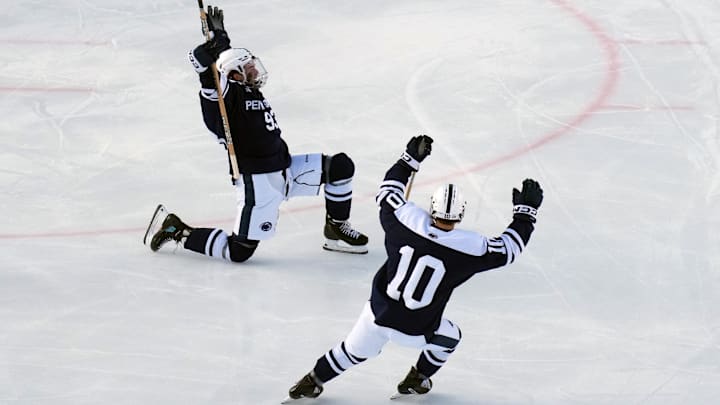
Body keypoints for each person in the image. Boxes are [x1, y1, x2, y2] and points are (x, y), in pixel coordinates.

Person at [284, 135, 543, 401]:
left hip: (377, 314)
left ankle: (312, 381)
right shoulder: (470, 248)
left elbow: (388, 191)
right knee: (450, 336)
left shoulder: (403, 219)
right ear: (460, 214)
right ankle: (417, 378)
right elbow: (510, 248)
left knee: (350, 352)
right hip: (417, 331)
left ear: (432, 207)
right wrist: (525, 214)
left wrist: (410, 160)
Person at [143, 5, 368, 262]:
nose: (255, 71)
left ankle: (336, 229)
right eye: (248, 68)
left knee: (339, 166)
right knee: (239, 251)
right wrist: (213, 52)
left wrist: (223, 39)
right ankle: (178, 231)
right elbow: (205, 69)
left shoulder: (250, 90)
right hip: (258, 182)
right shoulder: (226, 97)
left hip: (285, 168)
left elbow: (227, 61)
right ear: (235, 73)